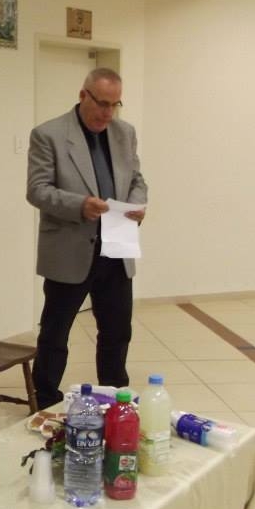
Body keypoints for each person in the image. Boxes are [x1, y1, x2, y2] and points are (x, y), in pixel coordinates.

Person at [26, 67, 148, 408]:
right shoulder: (48, 134)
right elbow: (37, 190)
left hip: (116, 245)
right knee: (55, 333)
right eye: (102, 103)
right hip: (70, 248)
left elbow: (137, 179)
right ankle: (44, 400)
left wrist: (137, 204)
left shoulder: (125, 133)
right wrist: (79, 205)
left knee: (117, 331)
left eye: (115, 104)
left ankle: (115, 399)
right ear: (83, 96)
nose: (108, 112)